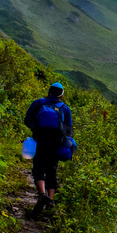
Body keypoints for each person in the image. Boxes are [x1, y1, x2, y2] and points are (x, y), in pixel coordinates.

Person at [24, 82, 73, 215]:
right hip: (56, 143)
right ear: (61, 95)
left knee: (38, 167)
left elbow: (27, 120)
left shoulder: (38, 103)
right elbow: (68, 130)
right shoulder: (65, 108)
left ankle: (41, 195)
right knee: (52, 169)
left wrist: (36, 128)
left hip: (39, 140)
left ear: (48, 92)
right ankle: (50, 199)